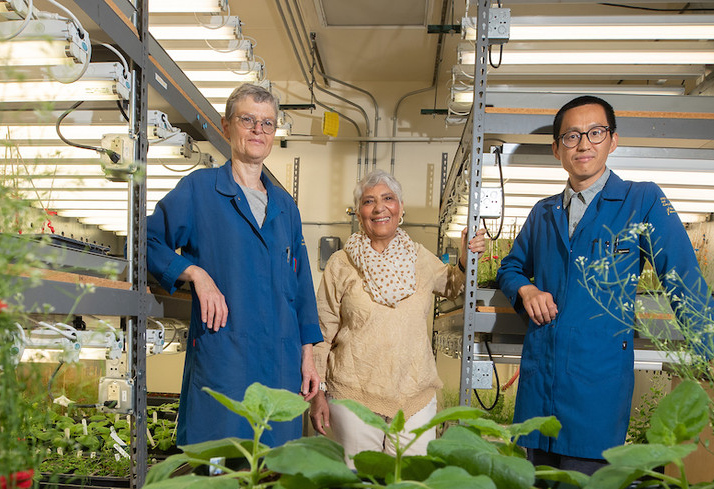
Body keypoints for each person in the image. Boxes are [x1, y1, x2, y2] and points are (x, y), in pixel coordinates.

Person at [496, 95, 714, 474]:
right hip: (538, 384)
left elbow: (681, 275)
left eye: (595, 133)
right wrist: (525, 290)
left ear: (613, 141)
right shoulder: (544, 212)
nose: (583, 145)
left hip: (596, 385)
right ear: (556, 149)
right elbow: (511, 267)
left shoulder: (640, 200)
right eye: (571, 136)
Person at [147, 83, 322, 447]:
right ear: (227, 127)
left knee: (275, 477)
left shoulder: (286, 207)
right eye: (248, 120)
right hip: (225, 361)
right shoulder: (199, 190)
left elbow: (302, 288)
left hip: (281, 364)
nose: (258, 130)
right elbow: (149, 240)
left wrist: (308, 356)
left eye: (268, 123)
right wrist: (194, 273)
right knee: (221, 473)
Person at [309, 170, 485, 464]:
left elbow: (454, 286)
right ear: (359, 212)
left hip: (414, 396)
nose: (379, 207)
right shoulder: (341, 264)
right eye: (369, 201)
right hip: (354, 397)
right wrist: (318, 395)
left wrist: (466, 259)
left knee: (409, 488)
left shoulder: (421, 259)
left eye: (388, 198)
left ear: (400, 208)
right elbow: (322, 333)